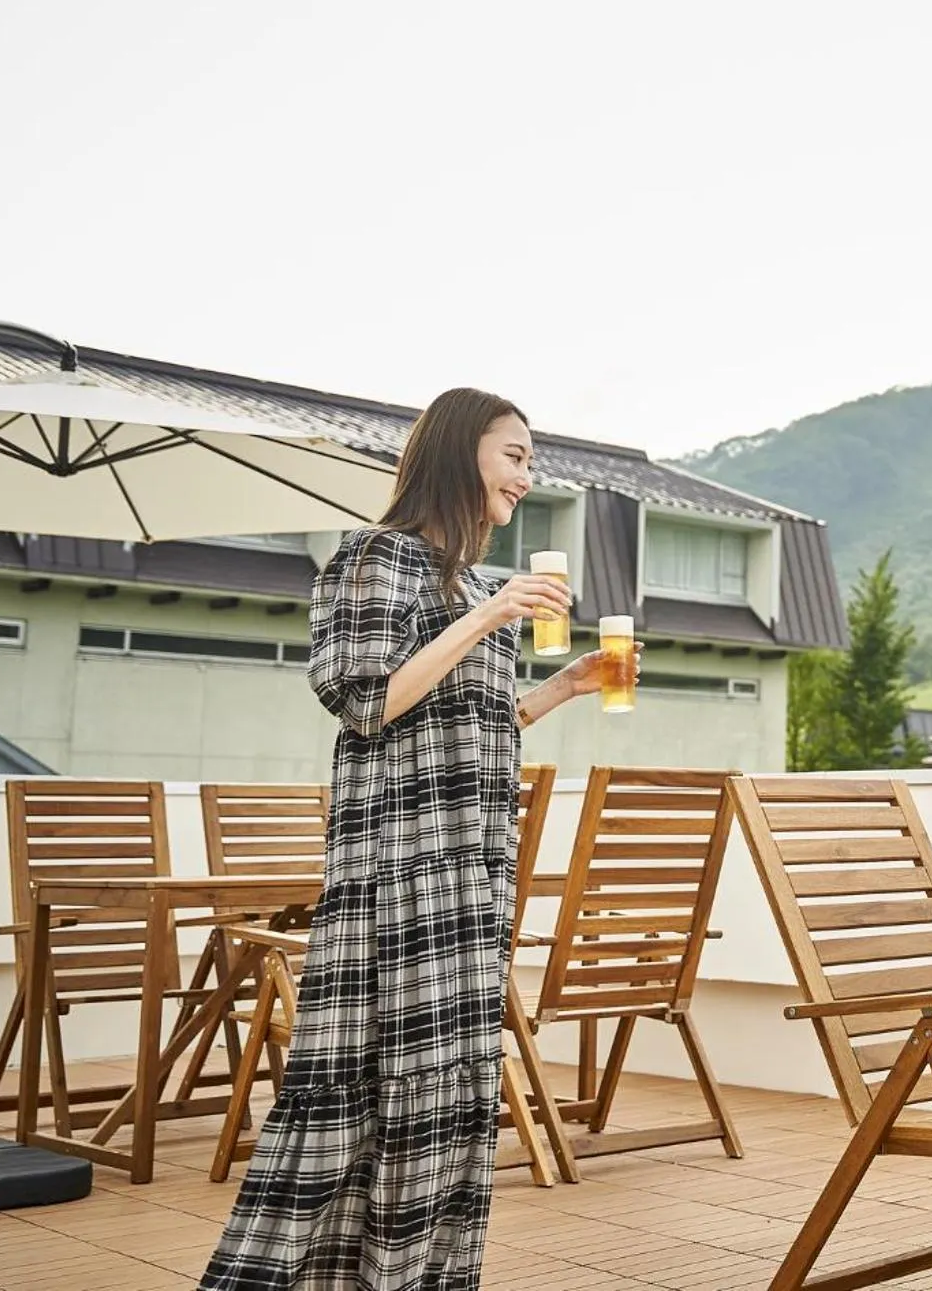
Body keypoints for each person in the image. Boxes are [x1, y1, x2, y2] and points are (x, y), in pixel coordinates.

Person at [200, 388, 631, 1291]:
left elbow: (474, 723)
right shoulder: (374, 558)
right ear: (456, 452)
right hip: (395, 870)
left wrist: (561, 688)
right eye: (514, 453)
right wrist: (489, 616)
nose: (528, 472)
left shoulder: (476, 586)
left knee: (447, 1099)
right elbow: (367, 702)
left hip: (473, 870)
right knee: (359, 1092)